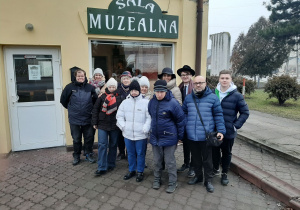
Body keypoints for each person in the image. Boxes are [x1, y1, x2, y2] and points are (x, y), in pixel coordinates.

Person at [182, 76, 226, 193]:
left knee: (207, 160)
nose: (198, 85)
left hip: (206, 136)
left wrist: (221, 130)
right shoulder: (188, 98)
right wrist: (186, 127)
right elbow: (184, 113)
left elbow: (218, 115)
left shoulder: (213, 98)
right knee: (195, 159)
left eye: (200, 83)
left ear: (205, 83)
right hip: (191, 135)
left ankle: (208, 180)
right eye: (196, 83)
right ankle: (198, 176)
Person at [212, 70, 249, 185]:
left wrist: (235, 126)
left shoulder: (236, 95)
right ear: (219, 79)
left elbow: (245, 112)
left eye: (227, 78)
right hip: (214, 130)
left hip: (228, 131)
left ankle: (224, 173)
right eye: (222, 78)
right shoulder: (213, 93)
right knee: (214, 151)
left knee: (226, 152)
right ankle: (215, 169)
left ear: (231, 80)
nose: (224, 80)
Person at [148, 80, 186, 193]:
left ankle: (172, 182)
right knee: (157, 160)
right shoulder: (152, 102)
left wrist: (180, 136)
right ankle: (157, 179)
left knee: (170, 161)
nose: (159, 94)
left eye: (161, 92)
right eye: (157, 92)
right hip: (155, 137)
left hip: (170, 137)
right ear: (154, 91)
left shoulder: (173, 103)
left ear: (166, 91)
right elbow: (151, 115)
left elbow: (180, 120)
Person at [60, 67, 98, 165]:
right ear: (75, 77)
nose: (81, 77)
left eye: (82, 76)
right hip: (74, 118)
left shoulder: (90, 88)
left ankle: (88, 154)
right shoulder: (69, 87)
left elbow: (95, 101)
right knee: (76, 139)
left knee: (89, 137)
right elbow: (63, 101)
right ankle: (76, 155)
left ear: (85, 77)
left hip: (88, 117)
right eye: (79, 76)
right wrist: (72, 109)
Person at [116, 80, 151, 182]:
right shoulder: (125, 102)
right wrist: (123, 126)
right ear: (130, 91)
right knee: (130, 153)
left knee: (140, 153)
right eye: (132, 90)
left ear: (139, 91)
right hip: (128, 134)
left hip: (141, 134)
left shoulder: (146, 103)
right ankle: (132, 170)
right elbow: (119, 116)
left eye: (136, 90)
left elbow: (149, 117)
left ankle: (140, 171)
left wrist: (146, 127)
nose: (134, 92)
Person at [92, 78, 122, 176]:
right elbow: (96, 110)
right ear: (107, 87)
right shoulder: (102, 97)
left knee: (113, 145)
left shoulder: (119, 97)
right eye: (110, 86)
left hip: (114, 125)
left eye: (113, 86)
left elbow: (122, 112)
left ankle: (111, 164)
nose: (112, 88)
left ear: (116, 87)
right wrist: (94, 122)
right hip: (102, 124)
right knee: (102, 145)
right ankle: (101, 167)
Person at [176, 65, 196, 178]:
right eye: (183, 75)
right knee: (186, 144)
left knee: (192, 143)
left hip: (193, 119)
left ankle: (193, 167)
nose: (185, 76)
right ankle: (186, 163)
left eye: (187, 74)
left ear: (191, 75)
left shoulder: (194, 87)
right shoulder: (181, 87)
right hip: (184, 119)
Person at [116, 71, 132, 160]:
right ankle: (121, 152)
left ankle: (129, 153)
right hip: (120, 115)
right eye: (124, 79)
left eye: (128, 79)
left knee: (128, 135)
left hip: (130, 116)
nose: (126, 80)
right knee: (120, 135)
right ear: (122, 80)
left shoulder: (133, 88)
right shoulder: (118, 88)